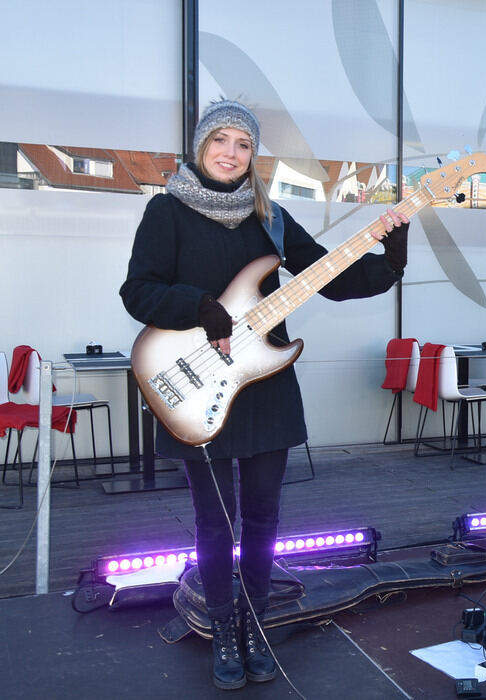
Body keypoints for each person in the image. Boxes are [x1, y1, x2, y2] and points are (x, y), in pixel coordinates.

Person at [120, 99, 408, 690]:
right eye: (220, 140)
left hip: (265, 383)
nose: (231, 152)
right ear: (202, 147)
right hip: (197, 381)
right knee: (215, 522)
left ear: (254, 155)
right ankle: (223, 627)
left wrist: (390, 255)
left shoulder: (270, 217)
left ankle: (254, 623)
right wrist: (199, 309)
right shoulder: (166, 212)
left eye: (243, 144)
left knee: (263, 516)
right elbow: (138, 291)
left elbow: (331, 277)